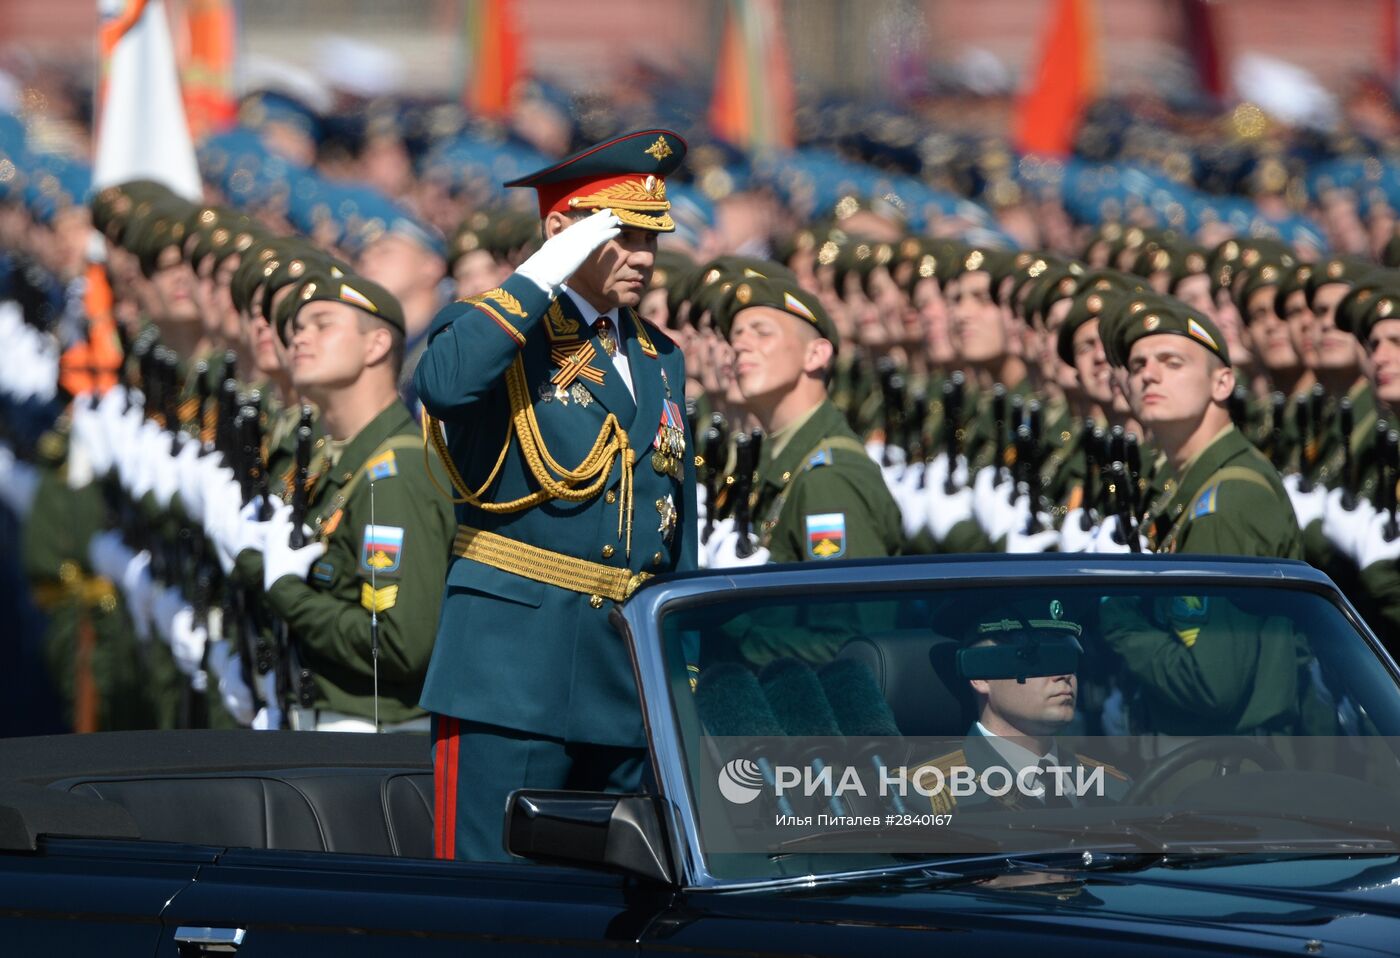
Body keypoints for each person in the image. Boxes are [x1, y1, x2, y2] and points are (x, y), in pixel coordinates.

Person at [413, 130, 699, 862]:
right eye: (621, 236)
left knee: (607, 907)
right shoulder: (507, 329)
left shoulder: (660, 356)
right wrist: (542, 273)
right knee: (490, 902)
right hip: (511, 670)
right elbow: (444, 383)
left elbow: (675, 523)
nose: (641, 256)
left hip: (621, 676)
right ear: (561, 232)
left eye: (650, 238)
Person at [246, 267, 456, 732]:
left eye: (322, 324)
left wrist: (286, 593)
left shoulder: (394, 473)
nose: (300, 338)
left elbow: (398, 644)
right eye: (298, 328)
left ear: (376, 344)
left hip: (373, 736)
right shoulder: (342, 462)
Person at [710, 275, 902, 564]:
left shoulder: (828, 479)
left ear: (815, 355)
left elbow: (846, 607)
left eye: (762, 332)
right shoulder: (775, 458)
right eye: (736, 335)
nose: (740, 345)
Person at [1109, 300, 1302, 557]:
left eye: (1172, 362)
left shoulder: (1228, 500)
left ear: (1222, 383)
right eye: (1138, 365)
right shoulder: (1189, 479)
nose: (1149, 375)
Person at [908, 605, 1129, 813]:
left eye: (1067, 657)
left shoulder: (1114, 786)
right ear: (981, 675)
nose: (1063, 675)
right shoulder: (925, 796)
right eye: (1038, 658)